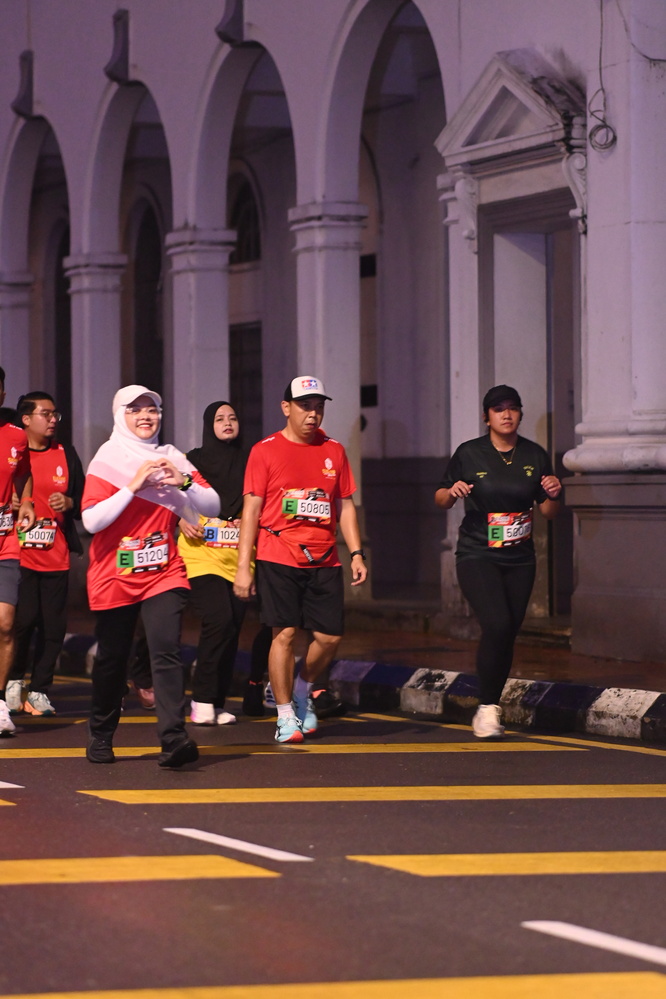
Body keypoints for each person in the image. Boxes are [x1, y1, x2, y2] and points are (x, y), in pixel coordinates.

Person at [81, 385, 219, 767]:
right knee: (112, 658)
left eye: (152, 410)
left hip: (163, 571)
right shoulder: (107, 459)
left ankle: (174, 739)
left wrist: (184, 481)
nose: (146, 416)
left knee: (166, 648)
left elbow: (213, 505)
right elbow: (91, 521)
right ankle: (101, 732)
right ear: (119, 415)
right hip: (114, 573)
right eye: (135, 409)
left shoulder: (171, 456)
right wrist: (132, 486)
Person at [234, 375, 368, 743]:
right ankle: (284, 715)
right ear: (286, 408)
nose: (313, 414)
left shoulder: (334, 450)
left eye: (318, 407)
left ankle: (301, 689)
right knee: (285, 633)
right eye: (305, 406)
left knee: (329, 637)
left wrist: (356, 552)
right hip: (278, 554)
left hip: (324, 557)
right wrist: (244, 567)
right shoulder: (265, 450)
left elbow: (344, 505)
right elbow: (251, 510)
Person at [435, 385, 562, 739]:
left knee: (507, 632)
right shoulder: (470, 453)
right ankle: (487, 708)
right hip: (478, 553)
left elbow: (549, 512)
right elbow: (440, 497)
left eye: (512, 408)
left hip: (520, 558)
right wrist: (452, 492)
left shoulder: (534, 454)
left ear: (520, 413)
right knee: (497, 623)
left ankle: (491, 703)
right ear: (486, 416)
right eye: (498, 409)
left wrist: (554, 493)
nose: (506, 415)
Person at [6, 392, 84, 716]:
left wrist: (70, 502)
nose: (53, 420)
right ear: (26, 419)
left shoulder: (66, 453)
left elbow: (84, 500)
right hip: (17, 554)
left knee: (53, 627)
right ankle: (13, 681)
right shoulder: (12, 454)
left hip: (56, 554)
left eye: (55, 415)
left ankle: (39, 689)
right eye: (46, 414)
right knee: (21, 622)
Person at [177, 401, 252, 725]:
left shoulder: (250, 460)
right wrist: (180, 519)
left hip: (239, 556)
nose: (227, 423)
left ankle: (217, 701)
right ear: (209, 425)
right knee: (218, 619)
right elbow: (169, 495)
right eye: (220, 419)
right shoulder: (191, 460)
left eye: (232, 417)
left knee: (232, 627)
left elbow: (261, 499)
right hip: (200, 552)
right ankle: (202, 700)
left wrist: (249, 519)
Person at [0, 366, 36, 735]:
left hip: (5, 539)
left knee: (6, 624)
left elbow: (24, 473)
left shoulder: (15, 436)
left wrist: (26, 501)